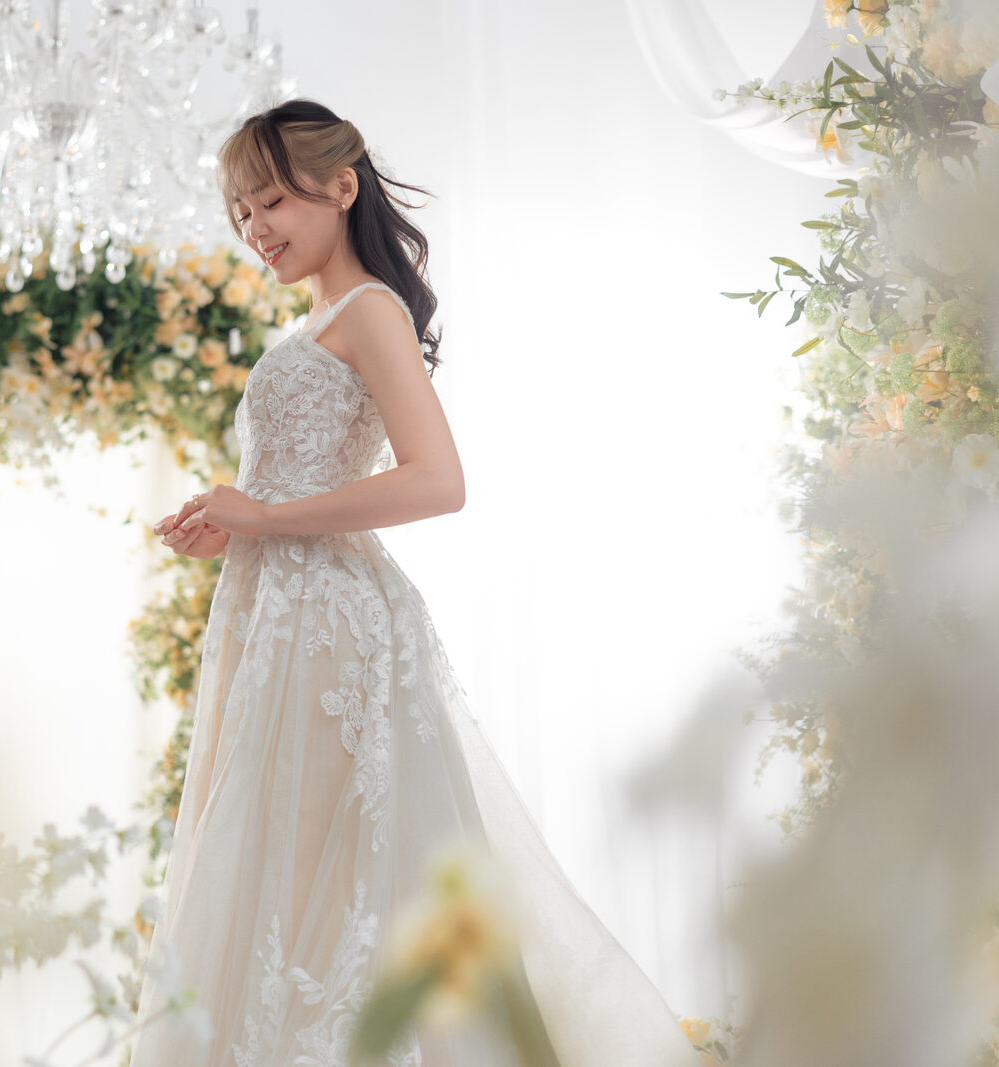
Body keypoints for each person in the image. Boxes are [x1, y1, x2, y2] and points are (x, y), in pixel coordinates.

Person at [131, 98, 701, 1066]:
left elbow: (439, 480)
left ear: (339, 187)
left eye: (269, 201)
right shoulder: (314, 319)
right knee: (289, 865)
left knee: (341, 871)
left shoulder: (370, 310)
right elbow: (295, 480)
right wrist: (234, 529)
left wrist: (262, 517)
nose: (255, 228)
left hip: (328, 623)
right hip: (280, 611)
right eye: (240, 213)